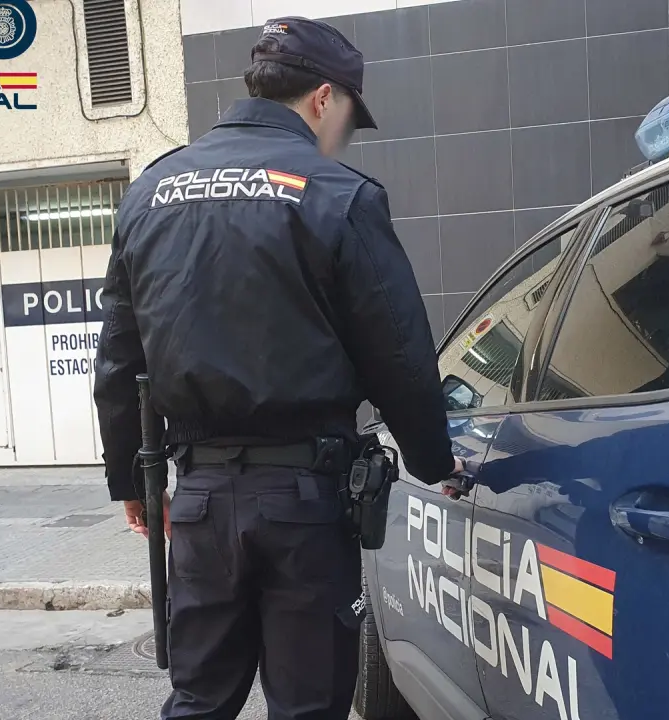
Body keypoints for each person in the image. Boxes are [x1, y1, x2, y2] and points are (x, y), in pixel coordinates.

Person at [92, 16, 464, 720]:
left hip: (199, 499)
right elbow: (398, 351)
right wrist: (434, 460)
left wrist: (131, 481)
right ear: (323, 98)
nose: (344, 133)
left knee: (198, 700)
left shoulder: (150, 192)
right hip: (305, 501)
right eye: (348, 115)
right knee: (308, 706)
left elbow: (118, 358)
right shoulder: (338, 193)